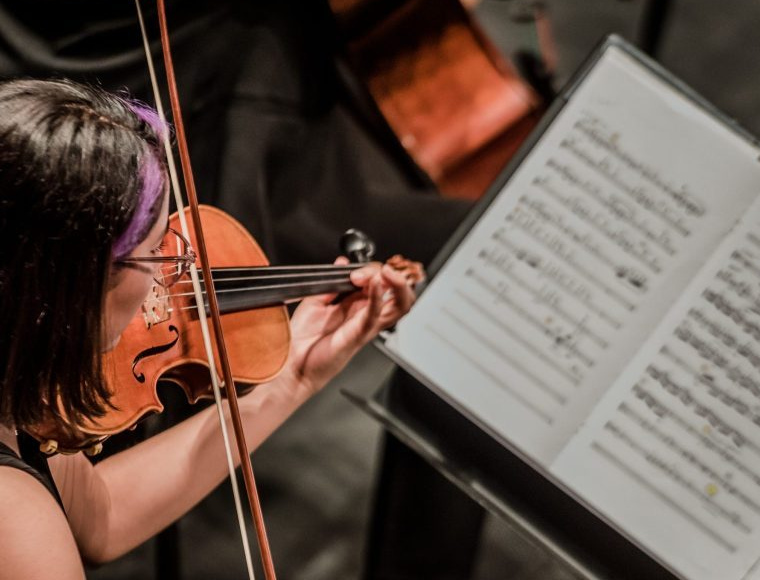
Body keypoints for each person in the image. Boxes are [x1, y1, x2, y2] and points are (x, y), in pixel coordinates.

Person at [0, 77, 417, 579]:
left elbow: (101, 515)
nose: (174, 275)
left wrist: (295, 377)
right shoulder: (17, 521)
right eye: (157, 254)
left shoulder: (23, 389)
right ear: (79, 280)